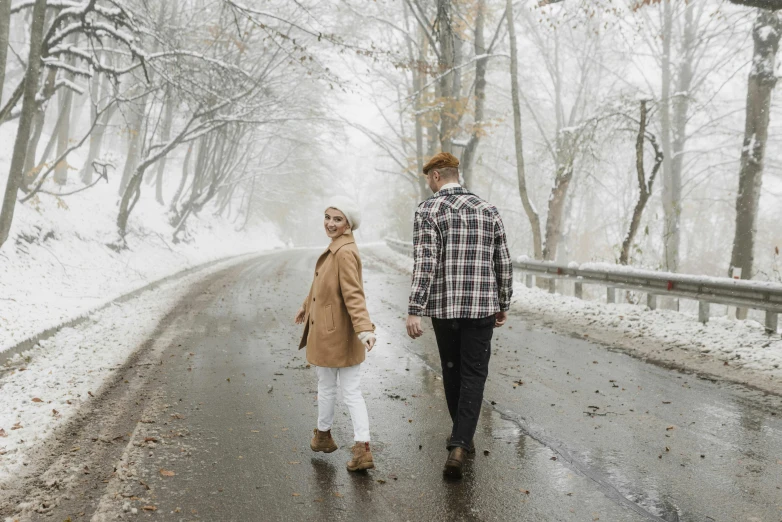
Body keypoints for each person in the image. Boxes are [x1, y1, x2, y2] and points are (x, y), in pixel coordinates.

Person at [405, 152, 513, 479]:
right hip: (481, 307)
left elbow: (425, 264)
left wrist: (414, 308)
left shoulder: (427, 211)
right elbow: (503, 262)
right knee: (474, 374)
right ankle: (461, 439)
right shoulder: (488, 210)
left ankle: (460, 440)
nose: (428, 183)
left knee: (452, 372)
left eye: (428, 178)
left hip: (445, 309)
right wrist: (503, 301)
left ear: (436, 176)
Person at [294, 198, 377, 472]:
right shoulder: (337, 248)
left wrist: (365, 329)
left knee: (349, 392)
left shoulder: (343, 252)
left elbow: (354, 294)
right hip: (331, 332)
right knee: (328, 387)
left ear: (348, 224)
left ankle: (360, 448)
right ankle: (323, 436)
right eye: (328, 217)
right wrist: (306, 306)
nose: (330, 223)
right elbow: (322, 286)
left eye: (337, 219)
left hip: (338, 332)